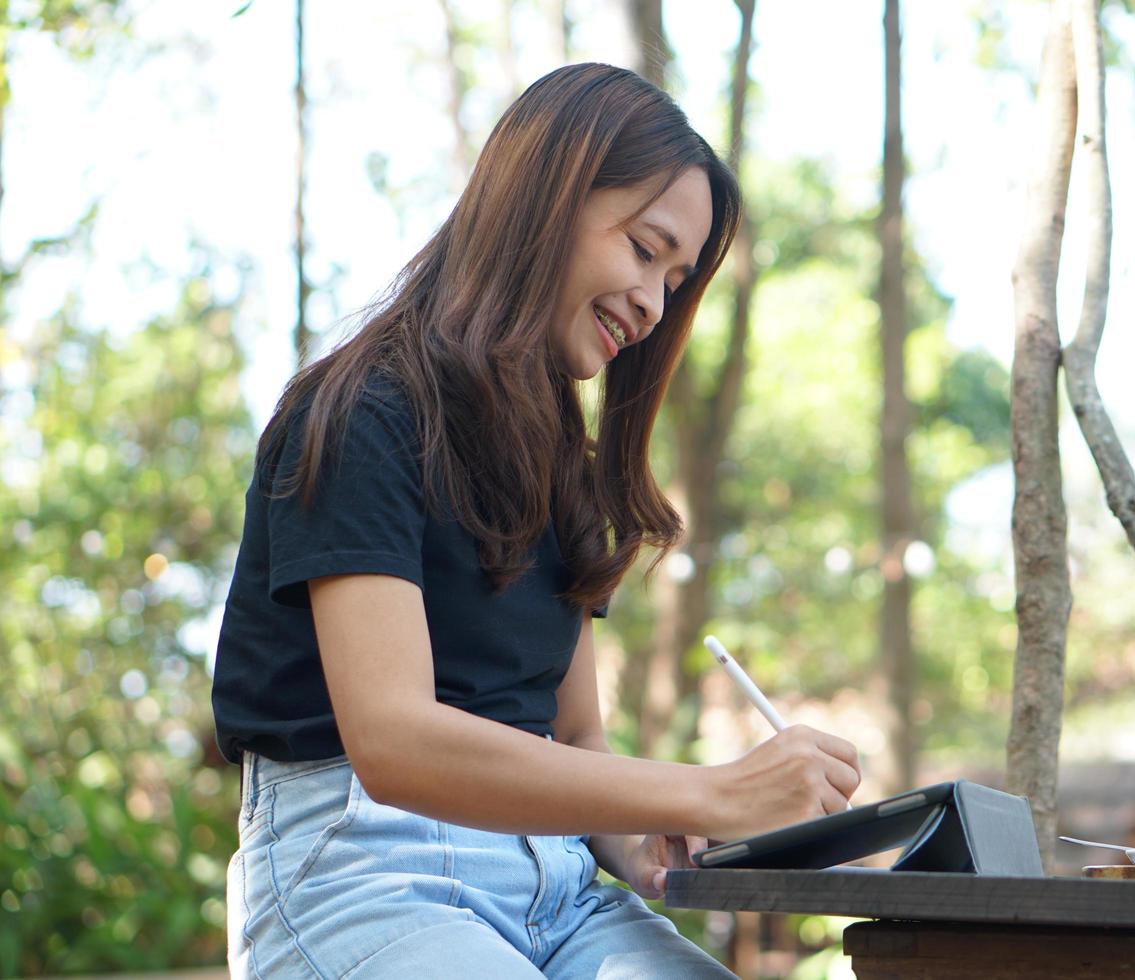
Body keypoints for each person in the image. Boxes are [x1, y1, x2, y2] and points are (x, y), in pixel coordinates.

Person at [210, 63, 861, 979]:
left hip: (557, 886)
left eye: (675, 280)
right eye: (644, 250)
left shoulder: (565, 469)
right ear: (546, 199)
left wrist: (638, 841)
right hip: (363, 870)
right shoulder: (362, 412)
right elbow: (394, 739)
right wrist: (712, 791)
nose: (653, 303)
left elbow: (576, 740)